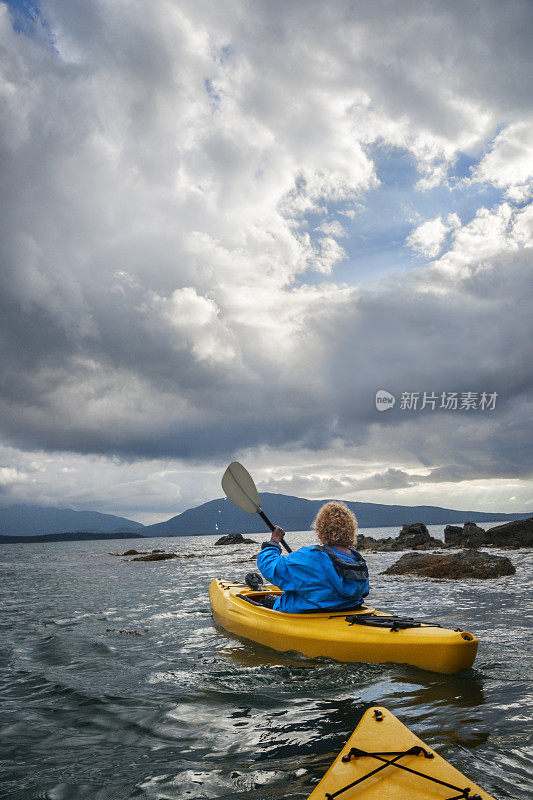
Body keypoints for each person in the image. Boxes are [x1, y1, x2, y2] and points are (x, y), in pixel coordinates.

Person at [256, 501, 369, 613]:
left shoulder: (311, 557)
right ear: (351, 529)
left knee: (266, 600)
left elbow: (269, 566)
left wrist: (274, 543)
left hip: (307, 614)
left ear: (321, 529)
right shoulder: (357, 561)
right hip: (346, 611)